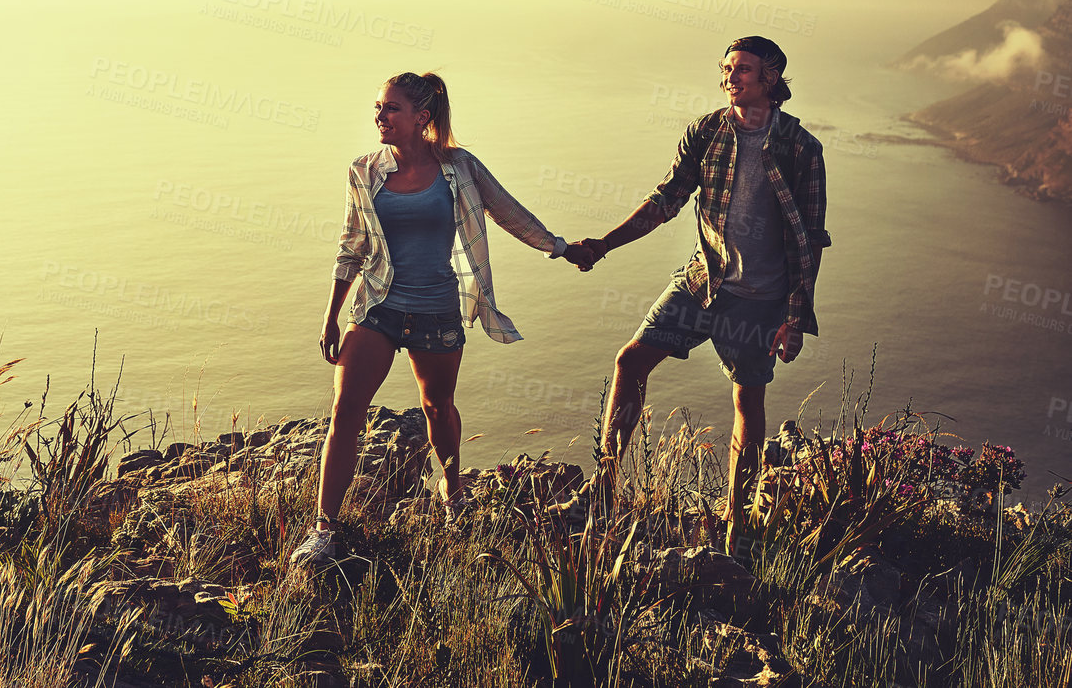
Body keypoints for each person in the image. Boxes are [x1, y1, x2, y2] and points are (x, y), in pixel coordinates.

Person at [289, 71, 594, 566]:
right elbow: (352, 245)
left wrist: (560, 248)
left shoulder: (458, 167)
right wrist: (331, 315)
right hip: (377, 306)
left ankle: (452, 494)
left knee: (438, 409)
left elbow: (507, 211)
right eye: (378, 107)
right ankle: (323, 528)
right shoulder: (363, 170)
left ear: (421, 117)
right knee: (344, 413)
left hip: (436, 309)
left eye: (390, 109)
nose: (379, 116)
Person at [563, 36, 830, 556]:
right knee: (630, 361)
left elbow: (810, 239)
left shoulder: (802, 148)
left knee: (747, 398)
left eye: (744, 70)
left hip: (760, 300)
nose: (731, 77)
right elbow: (665, 199)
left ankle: (738, 519)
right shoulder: (707, 131)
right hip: (701, 281)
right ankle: (606, 489)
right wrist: (604, 245)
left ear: (771, 78)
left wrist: (793, 319)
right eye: (727, 68)